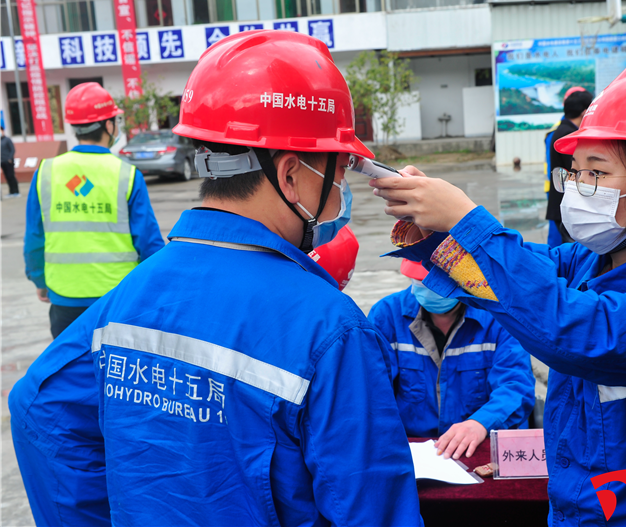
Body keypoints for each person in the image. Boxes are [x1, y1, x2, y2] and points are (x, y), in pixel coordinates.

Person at [9, 30, 421, 527]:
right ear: (290, 175)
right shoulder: (333, 328)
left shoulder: (132, 294)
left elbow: (38, 405)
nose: (340, 195)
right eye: (338, 172)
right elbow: (373, 511)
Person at [372, 65, 626, 525]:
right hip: (571, 510)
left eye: (596, 174)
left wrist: (466, 218)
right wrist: (436, 231)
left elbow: (567, 325)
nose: (578, 190)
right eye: (574, 174)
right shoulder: (582, 261)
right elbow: (512, 276)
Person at [23, 82, 163, 338]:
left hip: (64, 297)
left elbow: (34, 237)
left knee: (70, 374)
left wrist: (40, 282)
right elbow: (149, 244)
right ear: (108, 125)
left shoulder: (46, 172)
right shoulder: (127, 175)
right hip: (117, 298)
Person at [368, 259, 536, 459]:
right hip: (413, 450)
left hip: (480, 445)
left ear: (463, 278)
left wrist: (481, 422)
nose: (429, 288)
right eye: (422, 281)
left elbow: (516, 386)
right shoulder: (386, 316)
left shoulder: (499, 317)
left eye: (437, 282)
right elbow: (372, 392)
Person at [544, 87, 594, 247]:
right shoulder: (569, 136)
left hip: (561, 202)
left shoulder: (560, 130)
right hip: (567, 203)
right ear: (585, 112)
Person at [1, 124, 20, 198]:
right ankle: (11, 192)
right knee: (7, 177)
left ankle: (16, 191)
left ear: (3, 131)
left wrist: (9, 158)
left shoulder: (7, 140)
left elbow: (12, 150)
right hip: (2, 162)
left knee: (11, 176)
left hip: (8, 161)